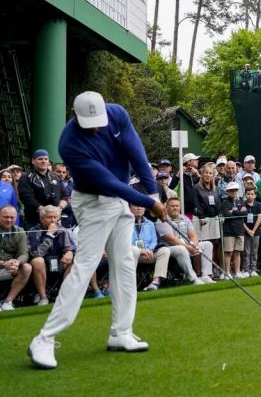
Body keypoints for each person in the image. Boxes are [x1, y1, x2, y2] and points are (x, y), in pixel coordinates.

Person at [29, 92, 166, 370]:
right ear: (75, 115)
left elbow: (136, 153)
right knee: (85, 265)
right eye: (89, 122)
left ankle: (121, 332)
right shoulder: (70, 144)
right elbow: (107, 183)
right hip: (93, 203)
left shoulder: (116, 114)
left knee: (125, 262)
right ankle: (44, 338)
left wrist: (155, 193)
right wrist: (147, 202)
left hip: (119, 199)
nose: (95, 126)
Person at [155, 197, 215, 284]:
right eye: (172, 206)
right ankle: (193, 278)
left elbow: (193, 235)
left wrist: (194, 246)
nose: (175, 208)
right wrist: (188, 247)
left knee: (207, 244)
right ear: (166, 207)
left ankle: (206, 275)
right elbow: (171, 239)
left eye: (177, 206)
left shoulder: (185, 218)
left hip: (187, 246)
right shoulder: (161, 220)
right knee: (181, 248)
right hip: (170, 248)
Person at [27, 205, 75, 306]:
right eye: (49, 217)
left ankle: (64, 294)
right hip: (42, 266)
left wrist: (70, 252)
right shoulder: (34, 231)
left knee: (75, 260)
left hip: (59, 263)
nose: (53, 220)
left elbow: (70, 247)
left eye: (55, 217)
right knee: (38, 261)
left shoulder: (62, 230)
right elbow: (36, 254)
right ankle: (43, 297)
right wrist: (49, 235)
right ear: (42, 219)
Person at [18, 149, 66, 228]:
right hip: (34, 221)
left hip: (56, 220)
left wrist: (59, 209)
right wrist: (44, 211)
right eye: (40, 159)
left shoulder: (56, 177)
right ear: (33, 161)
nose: (43, 161)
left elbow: (65, 196)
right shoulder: (26, 178)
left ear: (48, 162)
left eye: (45, 159)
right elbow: (26, 197)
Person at [0, 204, 31, 310]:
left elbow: (24, 253)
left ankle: (7, 302)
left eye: (12, 217)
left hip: (11, 268)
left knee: (27, 267)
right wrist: (3, 263)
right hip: (2, 265)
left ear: (16, 217)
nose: (9, 220)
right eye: (5, 217)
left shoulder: (20, 231)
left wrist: (17, 262)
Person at [240, 187, 261, 277]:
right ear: (245, 195)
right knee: (246, 251)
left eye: (252, 194)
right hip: (246, 231)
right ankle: (246, 269)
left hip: (256, 231)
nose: (250, 196)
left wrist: (253, 230)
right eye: (248, 194)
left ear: (255, 195)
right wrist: (248, 230)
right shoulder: (242, 205)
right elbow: (241, 220)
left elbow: (259, 218)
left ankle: (253, 269)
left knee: (254, 251)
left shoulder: (258, 205)